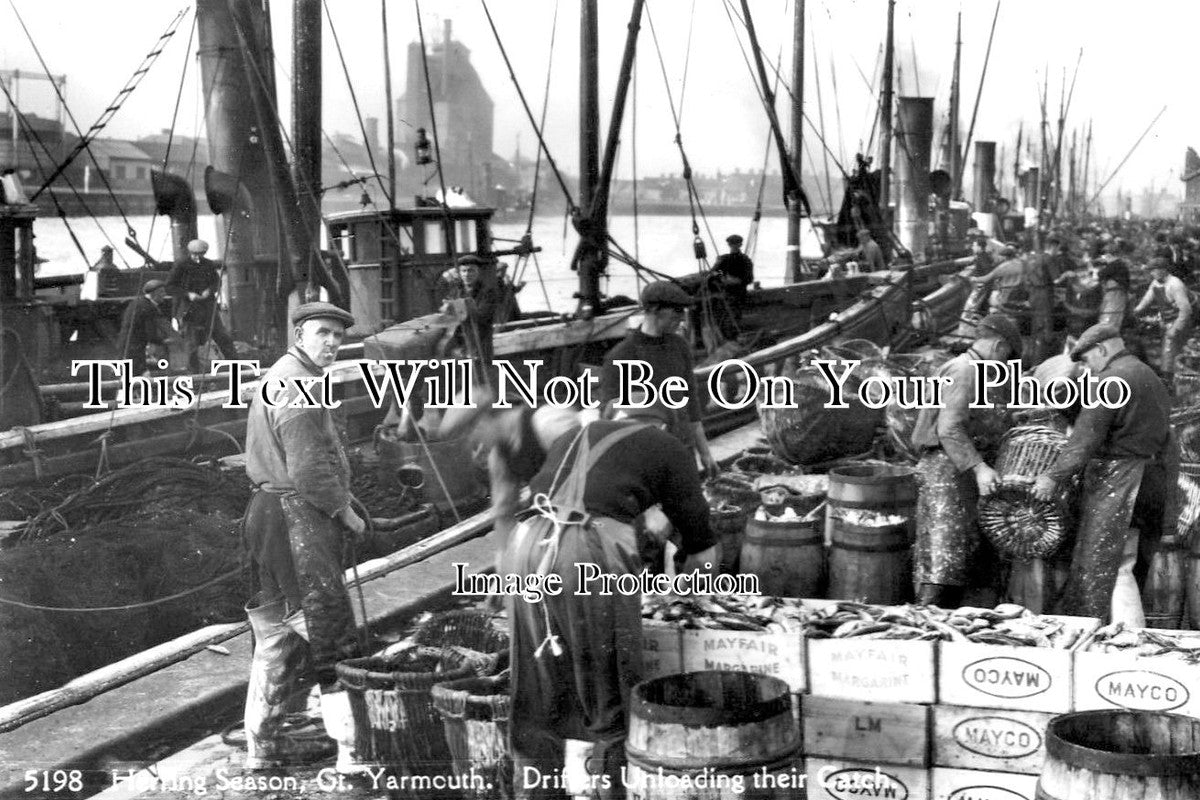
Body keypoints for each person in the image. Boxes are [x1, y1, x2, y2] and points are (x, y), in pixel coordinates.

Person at [503, 402, 719, 800]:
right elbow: (704, 553)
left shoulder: (576, 434)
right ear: (663, 424)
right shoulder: (669, 448)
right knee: (611, 698)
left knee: (537, 697)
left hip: (523, 547)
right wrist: (691, 600)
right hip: (586, 551)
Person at [241, 301, 364, 770]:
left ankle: (262, 748)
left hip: (267, 511)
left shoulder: (287, 373)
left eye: (338, 335)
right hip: (296, 516)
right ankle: (352, 756)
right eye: (323, 333)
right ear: (299, 334)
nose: (332, 342)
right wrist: (345, 511)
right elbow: (309, 469)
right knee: (330, 631)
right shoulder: (298, 384)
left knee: (276, 634)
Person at [1031, 323, 1174, 620]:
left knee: (1115, 566)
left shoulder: (1109, 381)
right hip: (1152, 479)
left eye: (1086, 359)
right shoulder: (1149, 376)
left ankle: (1126, 644)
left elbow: (1084, 440)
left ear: (1102, 349)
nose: (1086, 367)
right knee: (1129, 563)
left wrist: (1052, 477)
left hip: (1121, 483)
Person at [909, 314, 1022, 607]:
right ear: (999, 346)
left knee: (956, 557)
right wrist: (979, 467)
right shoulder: (967, 370)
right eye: (1007, 358)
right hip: (947, 471)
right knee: (944, 558)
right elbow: (949, 427)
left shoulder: (969, 368)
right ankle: (926, 624)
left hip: (954, 469)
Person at [599, 281, 720, 478]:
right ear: (655, 310)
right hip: (646, 459)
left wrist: (705, 453)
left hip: (683, 451)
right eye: (676, 311)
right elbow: (609, 418)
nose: (682, 318)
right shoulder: (620, 356)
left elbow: (692, 406)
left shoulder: (680, 346)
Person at [166, 238, 237, 372]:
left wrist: (210, 290)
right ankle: (194, 377)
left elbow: (217, 282)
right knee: (191, 344)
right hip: (189, 309)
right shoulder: (180, 265)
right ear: (190, 252)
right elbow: (169, 287)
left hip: (208, 308)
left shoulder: (208, 264)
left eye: (201, 254)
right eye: (195, 254)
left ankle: (238, 368)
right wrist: (188, 294)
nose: (197, 257)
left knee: (223, 337)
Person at [1132, 256, 1194, 384]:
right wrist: (1136, 311)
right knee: (1170, 352)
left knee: (1170, 354)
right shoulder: (1156, 283)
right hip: (1167, 321)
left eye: (1154, 270)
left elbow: (1186, 310)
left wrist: (1175, 328)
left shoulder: (1175, 285)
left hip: (1179, 322)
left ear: (1163, 270)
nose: (1152, 273)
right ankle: (1173, 379)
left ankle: (1169, 383)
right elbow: (1147, 299)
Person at [440, 253, 500, 368]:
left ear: (478, 272)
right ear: (460, 273)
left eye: (471, 270)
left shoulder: (488, 292)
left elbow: (483, 316)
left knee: (481, 379)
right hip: (459, 345)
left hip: (479, 345)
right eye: (464, 271)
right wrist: (445, 309)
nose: (467, 274)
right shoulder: (456, 291)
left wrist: (457, 307)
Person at [117, 279, 172, 372]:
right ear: (154, 293)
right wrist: (164, 341)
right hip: (134, 348)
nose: (164, 294)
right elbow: (150, 333)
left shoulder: (138, 303)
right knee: (138, 374)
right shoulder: (148, 307)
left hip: (126, 345)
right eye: (162, 292)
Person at [711, 233, 755, 311]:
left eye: (736, 243)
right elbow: (716, 272)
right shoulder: (724, 259)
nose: (734, 246)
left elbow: (749, 278)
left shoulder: (745, 260)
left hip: (738, 293)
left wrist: (736, 280)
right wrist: (722, 278)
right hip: (724, 291)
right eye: (732, 243)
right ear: (729, 245)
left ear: (740, 245)